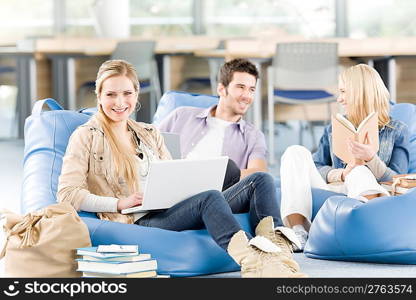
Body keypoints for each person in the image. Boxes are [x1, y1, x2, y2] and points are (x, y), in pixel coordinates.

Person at [57, 59, 305, 277]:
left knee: (260, 179)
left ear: (136, 94)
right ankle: (253, 264)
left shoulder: (149, 132)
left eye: (127, 93)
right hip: (140, 219)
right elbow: (67, 194)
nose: (120, 102)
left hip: (169, 206)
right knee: (210, 198)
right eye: (111, 94)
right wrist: (118, 204)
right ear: (99, 96)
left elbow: (170, 175)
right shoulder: (86, 136)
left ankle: (278, 256)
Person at [278, 64, 410, 251]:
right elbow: (317, 165)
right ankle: (298, 230)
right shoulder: (335, 127)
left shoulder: (397, 130)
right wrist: (340, 174)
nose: (339, 99)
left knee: (360, 171)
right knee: (294, 152)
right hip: (338, 185)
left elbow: (398, 181)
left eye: (343, 92)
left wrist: (371, 159)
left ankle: (369, 227)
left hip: (368, 192)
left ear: (360, 93)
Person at [158, 58, 267, 189]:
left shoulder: (253, 136)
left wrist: (214, 175)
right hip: (174, 187)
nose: (247, 96)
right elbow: (146, 145)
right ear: (221, 89)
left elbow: (258, 174)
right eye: (240, 87)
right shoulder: (181, 115)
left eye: (251, 90)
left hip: (218, 195)